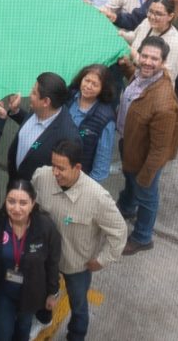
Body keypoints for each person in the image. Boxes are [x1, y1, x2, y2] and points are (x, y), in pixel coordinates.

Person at [31, 140, 126, 341]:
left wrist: (102, 260)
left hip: (77, 264)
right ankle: (43, 318)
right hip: (47, 259)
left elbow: (118, 232)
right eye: (53, 165)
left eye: (61, 168)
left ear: (77, 168)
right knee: (42, 292)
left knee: (79, 304)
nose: (54, 173)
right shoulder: (41, 177)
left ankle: (76, 335)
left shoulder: (98, 198)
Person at [116, 36, 178, 254]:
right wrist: (128, 69)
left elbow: (160, 149)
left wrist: (146, 177)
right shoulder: (143, 77)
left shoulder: (163, 103)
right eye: (144, 56)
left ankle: (143, 237)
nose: (147, 61)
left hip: (145, 157)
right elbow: (136, 92)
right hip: (131, 143)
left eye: (154, 59)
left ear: (163, 63)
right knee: (130, 181)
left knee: (146, 195)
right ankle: (126, 207)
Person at [0, 180, 61, 341]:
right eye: (11, 201)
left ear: (33, 203)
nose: (16, 208)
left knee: (23, 330)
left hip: (32, 292)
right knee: (2, 334)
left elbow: (53, 263)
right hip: (4, 292)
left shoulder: (46, 228)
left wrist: (52, 292)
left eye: (23, 203)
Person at [6, 73, 80, 182]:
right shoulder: (39, 109)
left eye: (34, 93)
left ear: (46, 102)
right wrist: (16, 111)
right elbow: (30, 127)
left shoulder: (69, 136)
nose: (30, 95)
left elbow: (68, 177)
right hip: (15, 182)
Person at [65, 65, 116, 183]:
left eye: (95, 84)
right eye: (87, 80)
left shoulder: (106, 118)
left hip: (81, 178)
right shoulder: (70, 98)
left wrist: (89, 188)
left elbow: (102, 163)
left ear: (103, 88)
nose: (88, 86)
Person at [125, 0, 178, 86]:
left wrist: (135, 55)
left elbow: (168, 75)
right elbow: (135, 36)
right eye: (150, 11)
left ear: (170, 16)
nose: (152, 17)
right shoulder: (147, 22)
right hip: (134, 79)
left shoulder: (176, 42)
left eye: (158, 14)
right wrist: (121, 34)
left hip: (154, 89)